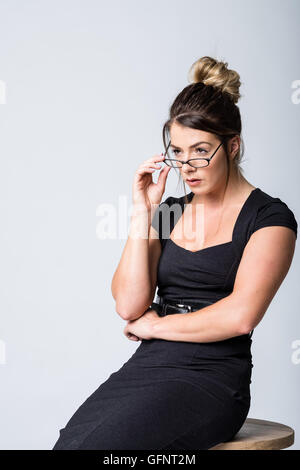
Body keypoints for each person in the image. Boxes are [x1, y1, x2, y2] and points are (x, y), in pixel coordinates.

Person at [52, 56, 298, 450]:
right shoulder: (170, 211)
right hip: (151, 364)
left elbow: (240, 316)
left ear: (232, 146)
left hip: (212, 376)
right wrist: (143, 212)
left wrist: (154, 328)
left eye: (200, 151)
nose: (187, 165)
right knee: (73, 445)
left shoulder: (269, 218)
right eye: (178, 152)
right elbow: (130, 305)